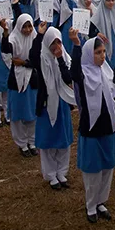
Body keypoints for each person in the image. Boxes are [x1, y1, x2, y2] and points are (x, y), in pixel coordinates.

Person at [69, 31, 115, 223]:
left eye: (103, 52)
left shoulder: (107, 72)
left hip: (108, 129)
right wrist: (77, 45)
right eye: (98, 53)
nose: (102, 56)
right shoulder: (83, 75)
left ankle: (102, 201)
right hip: (91, 130)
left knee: (108, 168)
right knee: (92, 172)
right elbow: (74, 71)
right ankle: (91, 204)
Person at [34, 27, 76, 190]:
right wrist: (39, 34)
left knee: (63, 140)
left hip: (63, 103)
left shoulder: (65, 57)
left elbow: (67, 78)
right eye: (53, 43)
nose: (56, 46)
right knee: (49, 141)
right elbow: (33, 55)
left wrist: (59, 59)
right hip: (47, 105)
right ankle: (51, 174)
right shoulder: (41, 57)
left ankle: (61, 172)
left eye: (59, 42)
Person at [1, 14, 42, 157]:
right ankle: (22, 143)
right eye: (24, 26)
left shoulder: (35, 39)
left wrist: (24, 63)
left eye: (30, 26)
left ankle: (32, 141)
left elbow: (37, 60)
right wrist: (5, 32)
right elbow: (6, 49)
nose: (27, 30)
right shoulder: (14, 39)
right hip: (17, 82)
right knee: (18, 115)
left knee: (32, 114)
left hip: (32, 80)